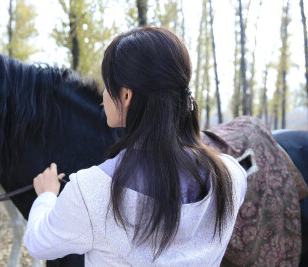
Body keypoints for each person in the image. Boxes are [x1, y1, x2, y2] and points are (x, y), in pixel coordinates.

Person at [24, 27, 247, 266]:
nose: (103, 96)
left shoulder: (92, 192)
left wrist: (46, 196)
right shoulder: (232, 175)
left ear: (127, 96)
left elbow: (38, 243)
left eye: (108, 86)